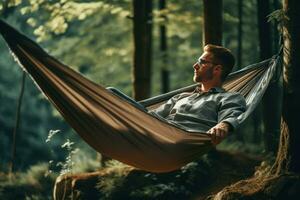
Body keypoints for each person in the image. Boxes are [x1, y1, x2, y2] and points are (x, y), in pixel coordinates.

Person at [108, 44, 246, 145]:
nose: (195, 66)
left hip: (181, 142)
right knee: (111, 93)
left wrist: (223, 125)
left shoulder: (229, 97)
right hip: (155, 132)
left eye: (202, 62)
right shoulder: (181, 97)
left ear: (217, 69)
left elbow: (233, 114)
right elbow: (152, 117)